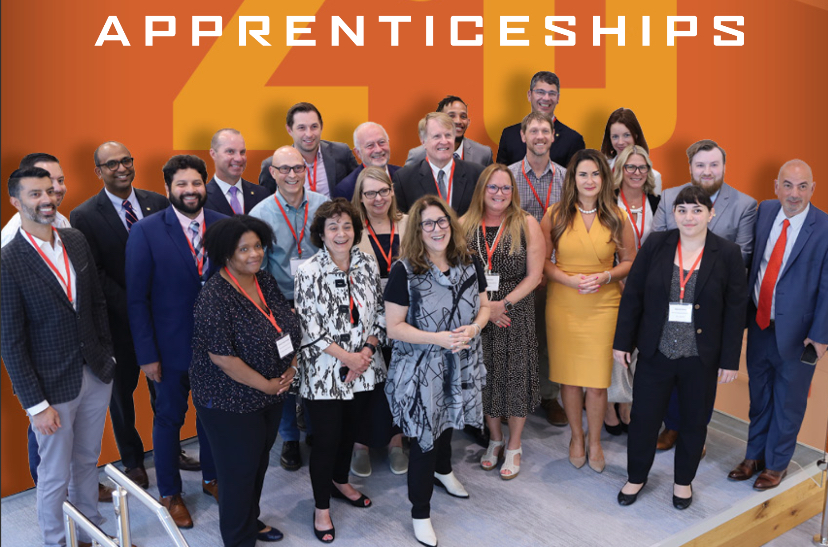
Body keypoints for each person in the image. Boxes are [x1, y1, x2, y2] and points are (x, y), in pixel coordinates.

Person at [614, 185, 748, 509]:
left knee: (693, 422)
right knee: (644, 419)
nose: (689, 216)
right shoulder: (657, 245)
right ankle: (636, 476)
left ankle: (683, 481)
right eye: (683, 209)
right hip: (656, 351)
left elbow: (735, 309)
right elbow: (633, 295)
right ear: (673, 213)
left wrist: (730, 360)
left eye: (697, 210)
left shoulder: (727, 253)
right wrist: (623, 342)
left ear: (710, 213)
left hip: (700, 357)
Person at [1, 168, 115, 547]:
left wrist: (108, 359)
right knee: (53, 474)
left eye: (49, 191)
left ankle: (90, 535)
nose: (47, 200)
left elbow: (96, 304)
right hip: (52, 387)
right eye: (35, 194)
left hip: (95, 374)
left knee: (87, 462)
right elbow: (11, 342)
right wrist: (35, 405)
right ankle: (56, 541)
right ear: (16, 202)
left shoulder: (75, 239)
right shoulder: (8, 260)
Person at [385, 195, 490, 547]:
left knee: (448, 425)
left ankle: (444, 472)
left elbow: (485, 306)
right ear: (417, 229)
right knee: (426, 439)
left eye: (441, 221)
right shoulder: (404, 271)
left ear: (451, 223)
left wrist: (475, 328)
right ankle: (420, 513)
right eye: (427, 223)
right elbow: (394, 327)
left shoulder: (469, 262)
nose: (436, 229)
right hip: (420, 368)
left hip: (460, 360)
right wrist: (438, 339)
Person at [125, 155, 225, 528]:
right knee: (168, 419)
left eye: (196, 183)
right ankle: (170, 492)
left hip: (218, 349)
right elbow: (137, 299)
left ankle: (213, 478)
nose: (190, 191)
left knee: (212, 417)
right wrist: (147, 354)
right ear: (168, 188)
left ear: (205, 186)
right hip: (168, 351)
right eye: (181, 184)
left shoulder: (223, 226)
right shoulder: (146, 231)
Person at [191, 215, 302, 546]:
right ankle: (238, 538)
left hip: (271, 393)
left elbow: (287, 324)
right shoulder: (214, 297)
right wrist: (268, 384)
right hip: (229, 402)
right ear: (226, 254)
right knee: (237, 473)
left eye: (258, 246)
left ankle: (249, 521)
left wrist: (292, 366)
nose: (255, 254)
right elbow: (223, 358)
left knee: (256, 465)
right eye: (244, 249)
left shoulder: (264, 281)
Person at [70, 142, 169, 489]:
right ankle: (132, 459)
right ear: (98, 171)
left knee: (165, 390)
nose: (122, 167)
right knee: (122, 396)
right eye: (112, 164)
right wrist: (134, 308)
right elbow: (94, 272)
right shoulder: (84, 215)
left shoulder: (157, 202)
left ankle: (167, 450)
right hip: (118, 322)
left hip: (162, 319)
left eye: (127, 160)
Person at [728, 159, 828, 490]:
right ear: (776, 187)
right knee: (760, 396)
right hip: (759, 323)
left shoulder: (824, 227)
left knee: (788, 401)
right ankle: (753, 456)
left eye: (802, 186)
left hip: (799, 336)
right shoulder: (765, 212)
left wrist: (820, 335)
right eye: (788, 185)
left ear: (813, 189)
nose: (794, 193)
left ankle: (776, 464)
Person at [652, 139, 757, 451]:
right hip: (671, 302)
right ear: (690, 168)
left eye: (714, 164)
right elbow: (656, 246)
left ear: (724, 166)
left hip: (712, 307)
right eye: (701, 165)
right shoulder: (670, 196)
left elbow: (743, 256)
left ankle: (694, 434)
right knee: (671, 365)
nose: (707, 171)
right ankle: (672, 427)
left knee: (701, 378)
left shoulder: (744, 205)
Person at [294, 199, 386, 543]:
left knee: (350, 433)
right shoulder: (309, 271)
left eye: (347, 226)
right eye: (332, 226)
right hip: (325, 374)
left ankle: (340, 481)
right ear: (321, 233)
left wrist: (364, 353)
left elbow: (379, 313)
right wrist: (347, 358)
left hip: (364, 367)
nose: (341, 232)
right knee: (327, 440)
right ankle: (321, 508)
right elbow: (308, 328)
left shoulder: (366, 263)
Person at [540, 149, 636, 473]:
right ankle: (576, 437)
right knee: (569, 380)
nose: (590, 180)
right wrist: (567, 279)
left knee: (597, 382)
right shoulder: (554, 214)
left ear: (604, 178)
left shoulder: (617, 216)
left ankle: (595, 441)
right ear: (573, 179)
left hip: (604, 304)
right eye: (583, 174)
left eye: (596, 174)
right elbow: (541, 262)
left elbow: (629, 262)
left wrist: (607, 275)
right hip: (564, 304)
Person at [461, 164, 544, 480]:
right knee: (486, 377)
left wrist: (502, 304)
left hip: (515, 311)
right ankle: (494, 439)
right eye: (493, 187)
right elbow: (457, 276)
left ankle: (514, 445)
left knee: (515, 376)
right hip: (477, 312)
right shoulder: (464, 225)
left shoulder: (526, 223)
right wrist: (486, 308)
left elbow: (535, 275)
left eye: (506, 188)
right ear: (482, 190)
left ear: (514, 192)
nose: (499, 194)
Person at [250, 145, 329, 471]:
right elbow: (258, 270)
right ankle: (290, 440)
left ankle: (313, 430)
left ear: (306, 170)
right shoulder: (261, 214)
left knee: (316, 370)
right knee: (285, 374)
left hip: (321, 304)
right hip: (281, 306)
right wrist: (280, 312)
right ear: (273, 173)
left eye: (297, 168)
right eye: (284, 169)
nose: (292, 175)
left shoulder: (322, 206)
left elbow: (334, 254)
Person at [507, 111, 569, 427]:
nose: (540, 136)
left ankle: (548, 396)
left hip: (556, 271)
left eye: (545, 130)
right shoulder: (507, 177)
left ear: (553, 136)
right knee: (514, 338)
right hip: (515, 273)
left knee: (548, 337)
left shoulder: (566, 178)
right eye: (534, 130)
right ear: (523, 136)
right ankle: (511, 396)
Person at [349, 167, 409, 476]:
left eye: (383, 191)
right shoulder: (351, 229)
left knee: (398, 378)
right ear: (360, 197)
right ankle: (360, 444)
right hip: (365, 318)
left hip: (404, 315)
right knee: (368, 381)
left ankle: (395, 441)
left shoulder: (409, 223)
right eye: (370, 193)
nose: (378, 198)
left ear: (392, 192)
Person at [604, 145, 662, 435]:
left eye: (643, 168)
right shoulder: (609, 201)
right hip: (615, 282)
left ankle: (627, 402)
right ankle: (610, 404)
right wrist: (620, 278)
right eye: (631, 167)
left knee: (640, 346)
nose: (637, 173)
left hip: (650, 287)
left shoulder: (658, 201)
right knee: (616, 344)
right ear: (620, 170)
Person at [393, 112, 485, 217]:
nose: (444, 141)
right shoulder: (404, 179)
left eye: (448, 135)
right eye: (437, 136)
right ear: (423, 141)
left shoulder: (477, 174)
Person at [259, 102, 359, 196]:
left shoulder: (341, 152)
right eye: (301, 128)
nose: (309, 134)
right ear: (289, 130)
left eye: (314, 126)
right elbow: (266, 204)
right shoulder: (273, 165)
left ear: (322, 126)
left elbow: (360, 185)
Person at [496, 71, 585, 168]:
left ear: (558, 98)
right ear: (529, 95)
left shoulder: (573, 139)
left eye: (552, 93)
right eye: (540, 92)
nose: (546, 98)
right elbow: (500, 177)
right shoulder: (509, 135)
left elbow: (574, 181)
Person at [1, 153, 70, 247]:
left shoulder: (61, 221)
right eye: (47, 180)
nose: (58, 188)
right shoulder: (11, 238)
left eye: (60, 180)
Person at [405, 95, 493, 167]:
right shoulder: (418, 155)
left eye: (463, 116)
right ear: (439, 120)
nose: (458, 121)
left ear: (468, 122)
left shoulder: (483, 154)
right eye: (451, 116)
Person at [204, 128, 270, 215]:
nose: (239, 158)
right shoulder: (202, 198)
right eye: (230, 152)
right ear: (213, 154)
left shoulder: (262, 194)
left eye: (242, 152)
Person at [331, 121, 402, 201]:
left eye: (381, 142)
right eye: (370, 145)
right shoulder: (345, 189)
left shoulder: (405, 176)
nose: (378, 150)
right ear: (358, 153)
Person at [600, 107, 663, 195]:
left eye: (626, 135)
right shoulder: (600, 171)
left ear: (636, 135)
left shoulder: (654, 177)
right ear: (609, 138)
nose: (620, 142)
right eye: (615, 136)